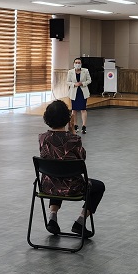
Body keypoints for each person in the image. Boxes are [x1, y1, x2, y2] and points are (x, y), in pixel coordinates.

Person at [39, 99, 105, 238]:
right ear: (68, 118)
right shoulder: (73, 140)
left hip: (47, 186)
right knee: (99, 187)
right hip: (72, 187)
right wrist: (73, 133)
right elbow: (83, 157)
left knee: (56, 175)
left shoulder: (43, 138)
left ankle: (52, 217)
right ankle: (80, 221)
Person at [66, 57, 91, 134]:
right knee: (74, 110)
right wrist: (74, 84)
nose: (77, 64)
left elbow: (89, 80)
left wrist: (82, 83)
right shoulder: (70, 72)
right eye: (76, 63)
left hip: (82, 92)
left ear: (81, 64)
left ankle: (84, 126)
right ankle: (75, 125)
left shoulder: (85, 71)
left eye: (79, 63)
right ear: (74, 64)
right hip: (74, 92)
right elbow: (68, 82)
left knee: (83, 109)